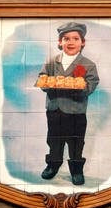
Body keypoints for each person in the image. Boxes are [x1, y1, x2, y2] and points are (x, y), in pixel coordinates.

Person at [36, 21, 99, 186]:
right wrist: (46, 83)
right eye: (66, 38)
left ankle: (76, 170)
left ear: (82, 42)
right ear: (60, 42)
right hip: (54, 109)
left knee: (76, 141)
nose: (71, 42)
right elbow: (42, 78)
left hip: (76, 111)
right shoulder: (51, 62)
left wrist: (79, 87)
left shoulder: (88, 64)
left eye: (75, 38)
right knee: (54, 140)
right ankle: (53, 165)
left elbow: (91, 84)